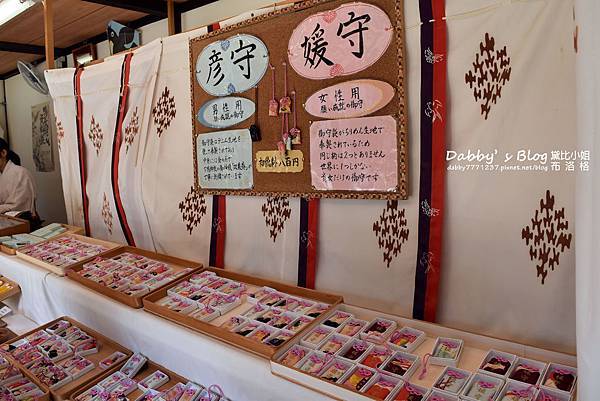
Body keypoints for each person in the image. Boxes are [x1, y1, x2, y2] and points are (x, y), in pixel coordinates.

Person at [0, 138, 36, 216]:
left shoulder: (20, 173)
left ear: (3, 153)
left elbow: (17, 207)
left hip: (20, 221)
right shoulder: (3, 175)